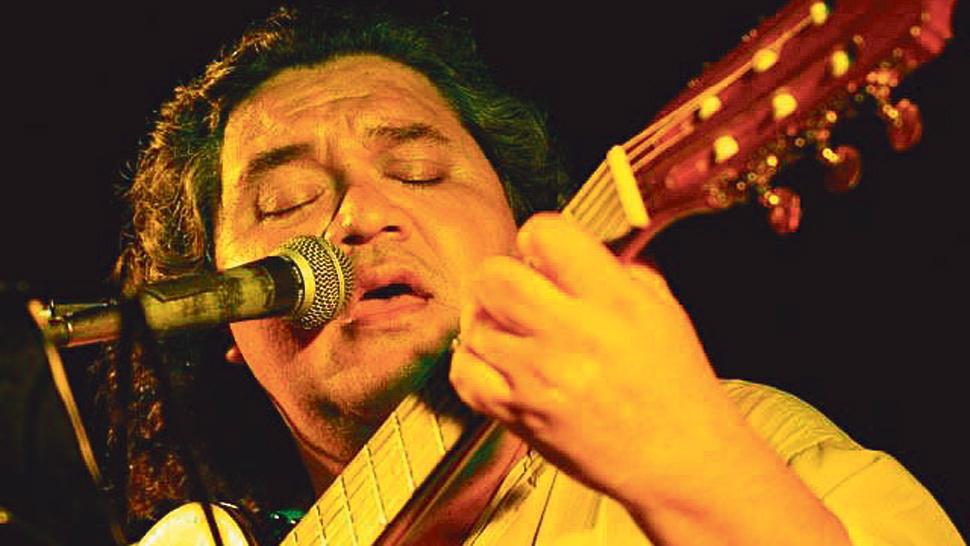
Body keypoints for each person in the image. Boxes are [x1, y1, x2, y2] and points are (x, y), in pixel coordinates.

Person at [100, 6, 963, 545]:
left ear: (519, 235)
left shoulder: (749, 444)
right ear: (218, 317)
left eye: (420, 173)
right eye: (287, 202)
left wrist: (694, 475)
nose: (359, 214)